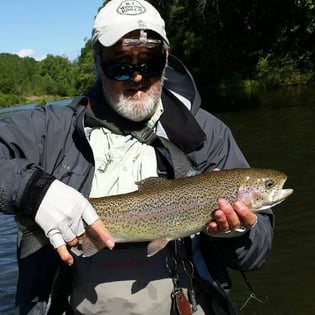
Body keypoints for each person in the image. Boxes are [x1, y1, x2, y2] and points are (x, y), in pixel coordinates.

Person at [0, 0, 274, 314]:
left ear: (166, 59)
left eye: (150, 62)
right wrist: (34, 191)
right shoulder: (51, 130)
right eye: (120, 65)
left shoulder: (205, 134)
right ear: (97, 62)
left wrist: (235, 232)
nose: (137, 78)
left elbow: (256, 256)